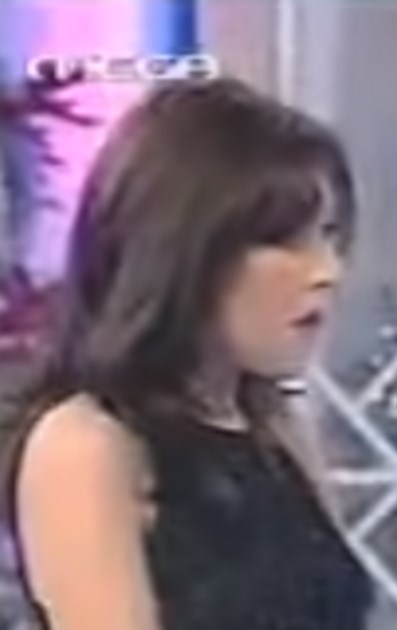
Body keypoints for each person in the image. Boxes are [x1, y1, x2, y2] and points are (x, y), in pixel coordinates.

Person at [0, 77, 372, 629]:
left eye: (330, 235)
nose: (327, 271)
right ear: (184, 249)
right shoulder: (88, 445)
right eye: (283, 240)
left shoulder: (277, 431)